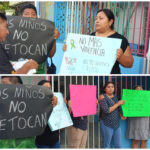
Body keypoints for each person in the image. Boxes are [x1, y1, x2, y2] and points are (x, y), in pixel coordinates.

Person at [63, 9, 133, 74]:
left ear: (110, 22)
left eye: (101, 18)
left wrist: (121, 57)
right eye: (96, 19)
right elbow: (80, 57)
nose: (97, 21)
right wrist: (69, 50)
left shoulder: (120, 39)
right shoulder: (90, 37)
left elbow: (130, 63)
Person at [20, 4, 59, 74]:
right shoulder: (14, 33)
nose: (30, 16)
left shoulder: (44, 32)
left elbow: (51, 55)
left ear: (37, 17)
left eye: (33, 14)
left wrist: (54, 39)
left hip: (41, 71)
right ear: (21, 17)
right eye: (26, 14)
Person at [99, 81, 126, 148]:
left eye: (112, 87)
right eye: (108, 87)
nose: (111, 88)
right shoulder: (102, 97)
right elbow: (107, 110)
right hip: (106, 124)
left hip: (116, 124)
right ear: (105, 89)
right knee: (106, 144)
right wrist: (118, 103)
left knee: (118, 145)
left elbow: (118, 109)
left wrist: (122, 115)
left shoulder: (115, 97)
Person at [35, 80, 60, 148]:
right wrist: (52, 107)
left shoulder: (55, 101)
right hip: (43, 142)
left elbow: (60, 122)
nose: (48, 90)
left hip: (55, 140)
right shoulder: (35, 104)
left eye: (49, 88)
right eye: (45, 88)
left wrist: (64, 108)